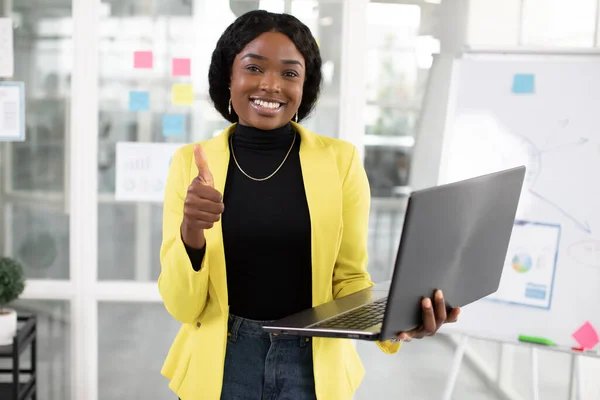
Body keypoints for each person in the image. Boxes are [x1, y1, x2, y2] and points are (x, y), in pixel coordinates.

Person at [158, 9, 460, 400]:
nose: (271, 85)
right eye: (254, 68)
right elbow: (182, 306)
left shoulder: (340, 162)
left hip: (313, 367)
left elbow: (349, 278)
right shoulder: (190, 163)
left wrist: (399, 320)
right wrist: (191, 233)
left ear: (305, 87)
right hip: (222, 365)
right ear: (228, 79)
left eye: (289, 73)